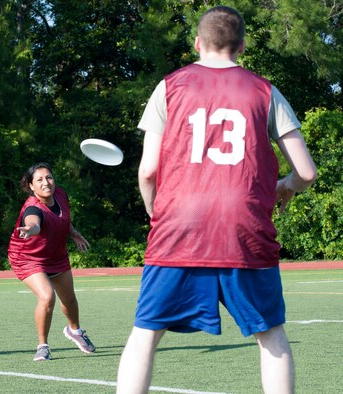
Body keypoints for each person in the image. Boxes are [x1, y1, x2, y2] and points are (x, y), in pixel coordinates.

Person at [116, 6, 317, 393]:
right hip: (244, 226)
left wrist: (156, 212)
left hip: (179, 225)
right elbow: (306, 172)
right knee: (270, 335)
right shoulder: (265, 90)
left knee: (145, 333)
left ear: (197, 43)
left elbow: (147, 172)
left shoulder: (169, 86)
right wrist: (286, 185)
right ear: (241, 46)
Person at [7, 162, 96, 361]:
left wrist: (73, 233)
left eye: (49, 177)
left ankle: (75, 331)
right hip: (28, 258)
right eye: (39, 180)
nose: (46, 182)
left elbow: (63, 217)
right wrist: (30, 230)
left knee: (69, 299)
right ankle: (43, 346)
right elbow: (34, 223)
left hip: (55, 255)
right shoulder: (33, 208)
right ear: (31, 186)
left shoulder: (61, 195)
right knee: (47, 297)